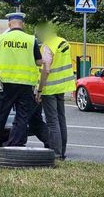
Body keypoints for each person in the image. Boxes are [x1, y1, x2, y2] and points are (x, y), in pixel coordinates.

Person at [0, 12, 43, 154]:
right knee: (22, 117)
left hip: (5, 84)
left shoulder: (2, 38)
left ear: (9, 24)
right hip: (26, 84)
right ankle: (16, 146)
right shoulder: (31, 39)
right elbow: (39, 62)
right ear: (23, 24)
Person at [35, 23, 76, 160]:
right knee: (61, 119)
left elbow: (46, 69)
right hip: (62, 86)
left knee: (52, 122)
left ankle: (56, 154)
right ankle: (62, 152)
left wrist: (39, 89)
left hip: (50, 87)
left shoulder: (48, 45)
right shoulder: (63, 42)